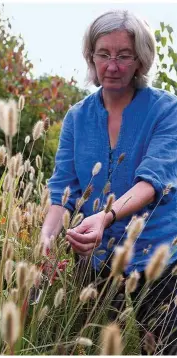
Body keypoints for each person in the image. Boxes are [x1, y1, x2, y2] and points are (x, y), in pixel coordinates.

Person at [41, 10, 177, 355]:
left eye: (124, 55)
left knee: (164, 347)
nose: (112, 65)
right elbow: (63, 189)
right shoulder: (76, 117)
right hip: (95, 259)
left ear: (140, 61)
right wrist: (47, 238)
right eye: (103, 54)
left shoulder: (167, 110)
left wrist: (105, 216)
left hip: (159, 258)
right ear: (91, 56)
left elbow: (154, 181)